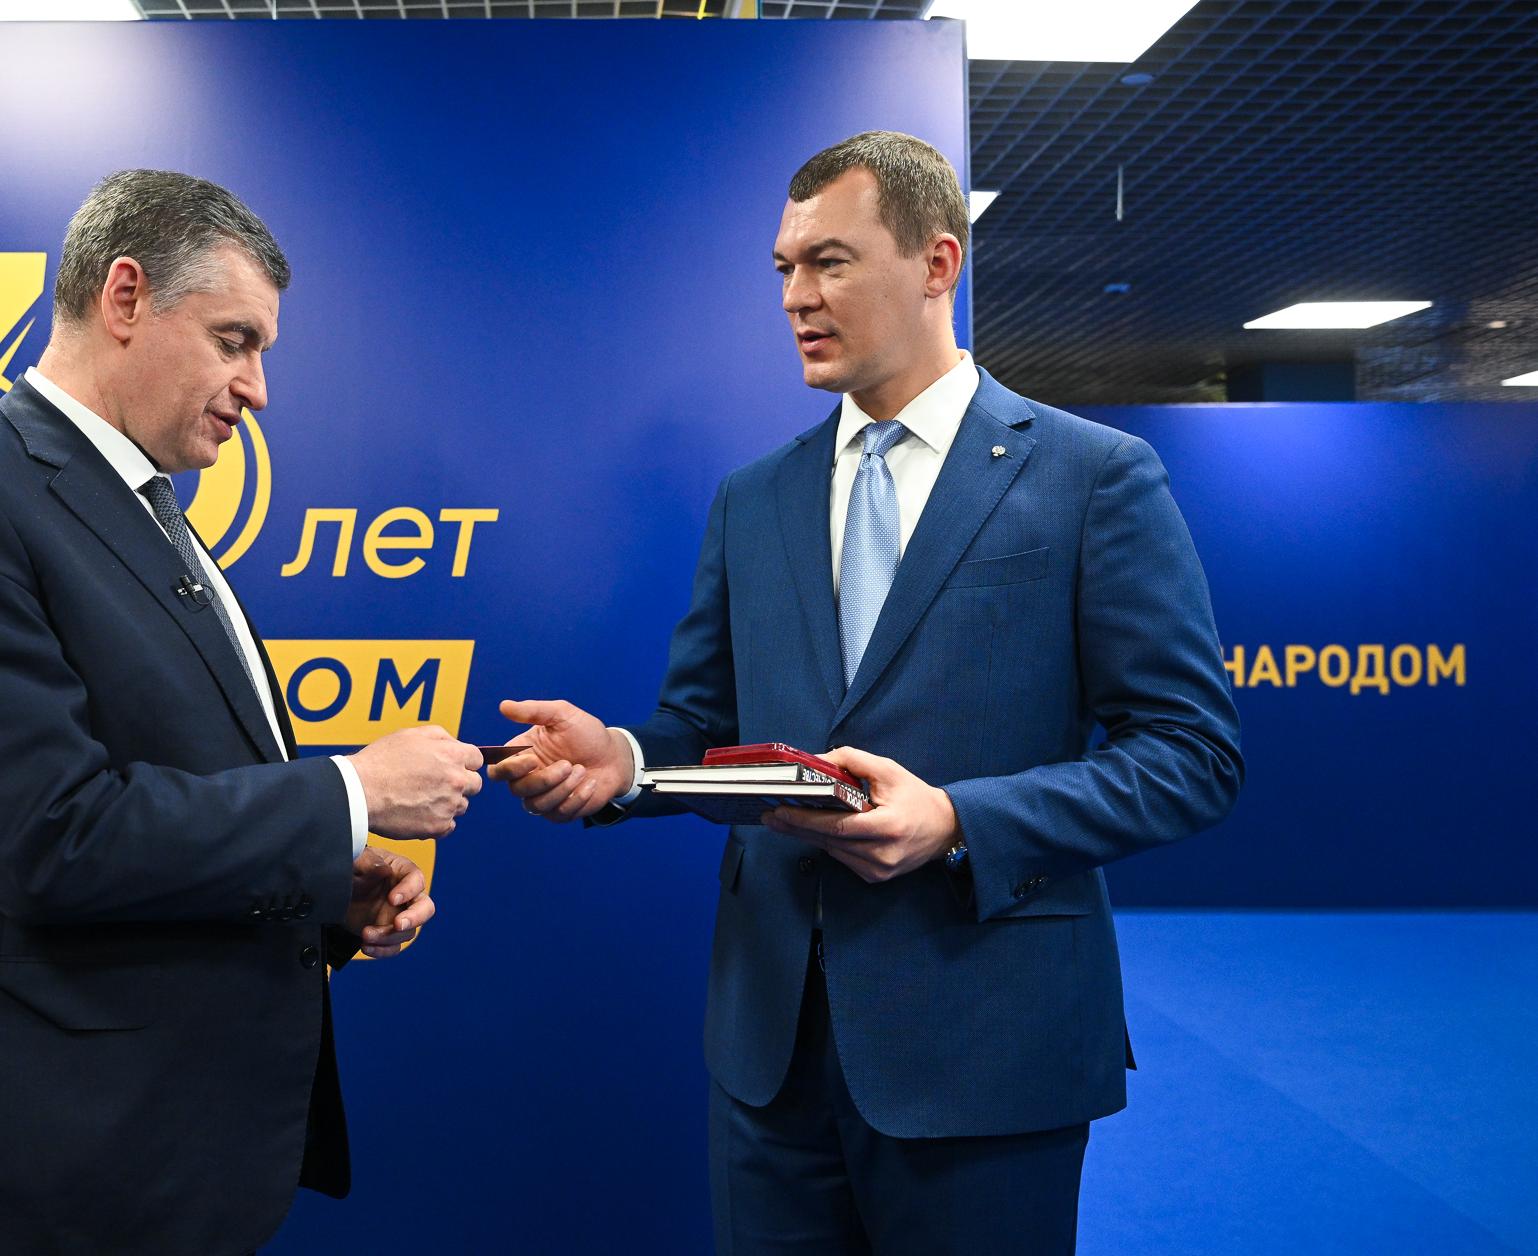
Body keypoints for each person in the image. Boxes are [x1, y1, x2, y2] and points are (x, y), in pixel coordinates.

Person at [492, 132, 1242, 1255]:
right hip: (768, 1057)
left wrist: (957, 819)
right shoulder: (753, 498)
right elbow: (704, 725)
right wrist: (627, 763)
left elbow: (1190, 753)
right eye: (784, 267)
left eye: (829, 262)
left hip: (987, 1048)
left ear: (937, 263)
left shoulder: (1092, 477)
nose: (795, 296)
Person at [0, 169, 484, 1256]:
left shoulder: (150, 513)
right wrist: (347, 792)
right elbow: (50, 838)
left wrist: (322, 884)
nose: (257, 387)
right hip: (36, 1182)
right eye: (235, 340)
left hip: (165, 1167)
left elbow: (174, 789)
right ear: (125, 297)